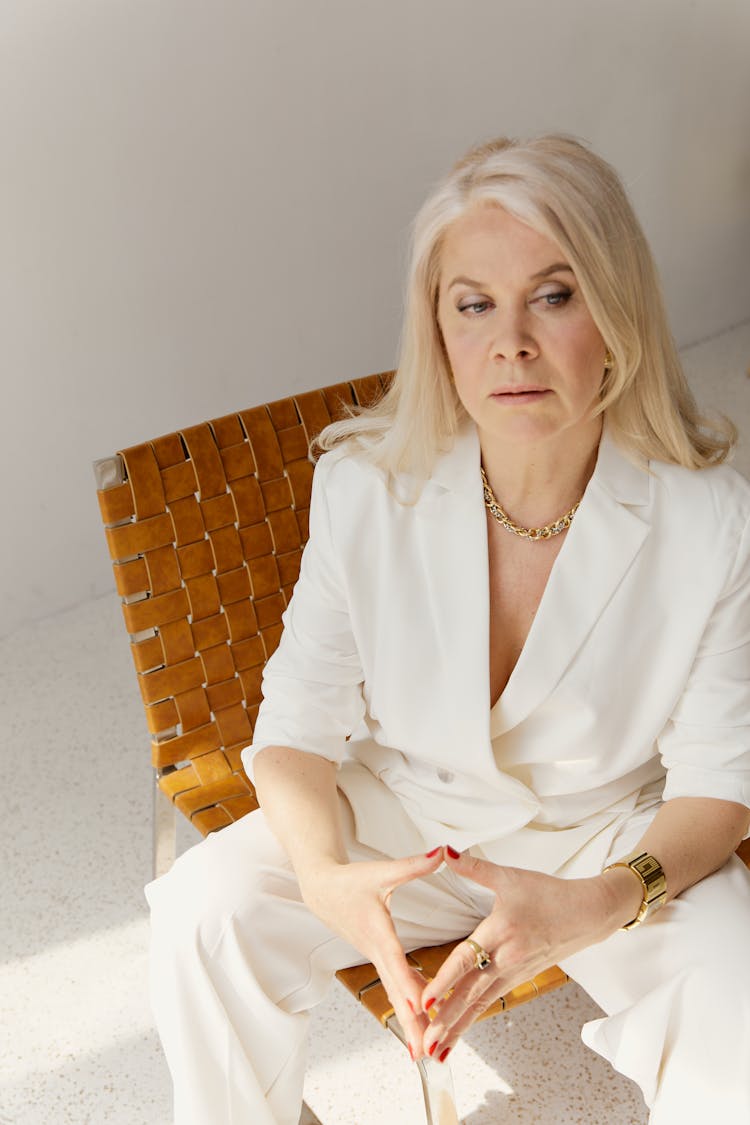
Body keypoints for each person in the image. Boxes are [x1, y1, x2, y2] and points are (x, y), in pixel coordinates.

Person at [145, 134, 750, 1125]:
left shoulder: (715, 522)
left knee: (740, 1017)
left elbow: (720, 791)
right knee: (204, 912)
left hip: (609, 830)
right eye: (475, 304)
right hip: (408, 816)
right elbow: (295, 726)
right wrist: (325, 873)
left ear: (617, 312)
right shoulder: (364, 487)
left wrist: (601, 897)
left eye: (553, 296)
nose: (511, 342)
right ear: (437, 327)